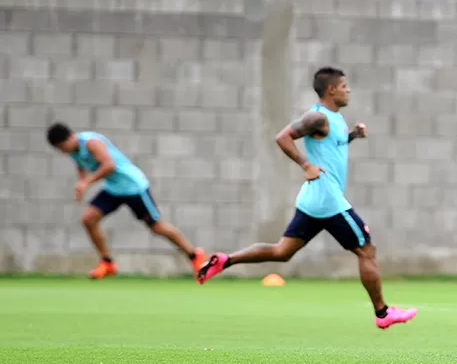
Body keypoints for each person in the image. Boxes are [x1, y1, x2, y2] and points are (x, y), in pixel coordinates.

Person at [196, 67, 417, 330]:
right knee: (366, 250)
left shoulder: (334, 119)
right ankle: (383, 313)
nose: (349, 90)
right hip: (328, 199)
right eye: (344, 86)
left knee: (282, 251)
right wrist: (305, 165)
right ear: (331, 89)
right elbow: (283, 137)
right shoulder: (316, 117)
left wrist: (352, 136)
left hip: (313, 200)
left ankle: (225, 260)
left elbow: (329, 147)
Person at [46, 123, 207, 279]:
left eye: (61, 148)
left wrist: (86, 182)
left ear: (69, 138)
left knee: (156, 227)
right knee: (88, 219)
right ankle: (107, 262)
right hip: (113, 189)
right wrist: (81, 183)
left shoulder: (91, 143)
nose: (62, 152)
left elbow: (109, 165)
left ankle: (194, 255)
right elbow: (81, 165)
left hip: (133, 187)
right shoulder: (72, 150)